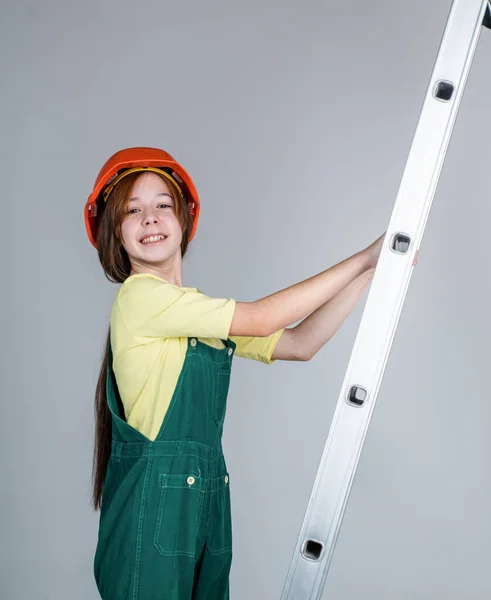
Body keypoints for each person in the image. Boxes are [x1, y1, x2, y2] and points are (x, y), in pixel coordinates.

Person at [84, 146, 384, 600]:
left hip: (203, 509)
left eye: (163, 204)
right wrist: (361, 258)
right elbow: (263, 319)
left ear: (183, 219)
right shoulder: (138, 298)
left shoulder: (197, 315)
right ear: (114, 234)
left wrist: (370, 274)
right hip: (152, 519)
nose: (150, 218)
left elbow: (302, 344)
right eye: (133, 210)